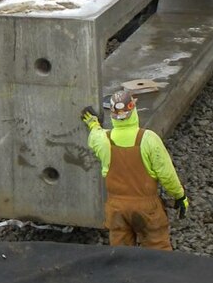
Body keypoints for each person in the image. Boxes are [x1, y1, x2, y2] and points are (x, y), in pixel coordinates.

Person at [81, 90, 188, 250]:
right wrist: (179, 196)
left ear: (112, 114)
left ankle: (124, 275)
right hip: (146, 209)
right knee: (158, 253)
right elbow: (166, 174)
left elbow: (95, 134)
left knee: (120, 254)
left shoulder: (102, 140)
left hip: (117, 209)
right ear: (133, 111)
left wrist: (93, 124)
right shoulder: (149, 139)